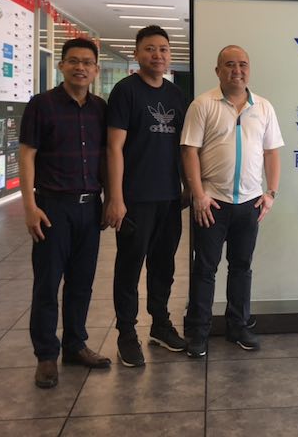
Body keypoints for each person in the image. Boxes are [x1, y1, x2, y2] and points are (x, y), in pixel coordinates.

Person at [19, 37, 111, 389]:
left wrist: (111, 198)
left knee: (82, 282)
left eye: (87, 62)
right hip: (52, 207)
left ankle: (75, 345)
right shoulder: (41, 105)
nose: (80, 68)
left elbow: (107, 157)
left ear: (96, 70)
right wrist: (30, 206)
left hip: (90, 207)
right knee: (47, 283)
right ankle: (46, 355)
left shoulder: (100, 109)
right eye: (73, 61)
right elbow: (27, 155)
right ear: (61, 65)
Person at [181, 45, 283, 357]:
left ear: (249, 69)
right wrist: (198, 195)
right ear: (218, 71)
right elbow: (189, 151)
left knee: (241, 267)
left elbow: (271, 152)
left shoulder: (263, 107)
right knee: (205, 269)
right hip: (212, 203)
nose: (236, 70)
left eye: (242, 65)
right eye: (229, 65)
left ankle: (238, 326)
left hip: (250, 204)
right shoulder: (203, 105)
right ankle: (198, 332)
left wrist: (271, 193)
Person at [104, 25, 187, 367]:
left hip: (169, 197)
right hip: (135, 198)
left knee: (163, 265)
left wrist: (188, 187)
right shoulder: (126, 91)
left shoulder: (176, 96)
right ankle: (126, 332)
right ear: (137, 53)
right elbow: (114, 147)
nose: (158, 55)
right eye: (150, 49)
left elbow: (185, 148)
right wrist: (116, 197)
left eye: (163, 49)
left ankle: (160, 324)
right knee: (129, 266)